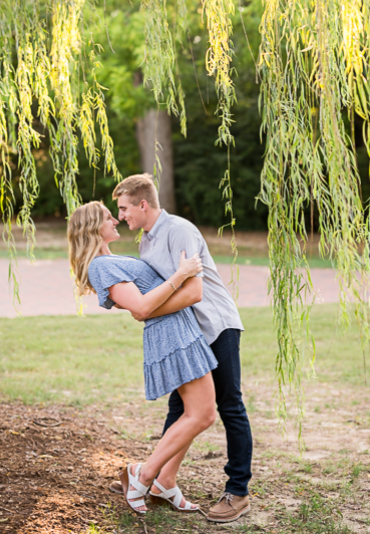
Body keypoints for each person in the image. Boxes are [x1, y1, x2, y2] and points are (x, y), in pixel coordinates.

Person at [113, 173, 252, 523]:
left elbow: (193, 292)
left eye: (125, 208)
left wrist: (144, 310)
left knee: (229, 405)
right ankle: (159, 479)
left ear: (143, 204)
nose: (121, 216)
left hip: (215, 327)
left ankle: (238, 491)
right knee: (180, 408)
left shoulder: (179, 231)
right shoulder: (146, 240)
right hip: (188, 335)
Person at [68, 201, 217, 515]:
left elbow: (143, 305)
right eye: (109, 216)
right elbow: (142, 308)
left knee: (193, 413)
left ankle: (165, 482)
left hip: (180, 329)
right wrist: (181, 274)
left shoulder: (111, 259)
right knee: (202, 415)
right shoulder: (99, 266)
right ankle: (144, 474)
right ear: (95, 226)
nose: (116, 219)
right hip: (171, 335)